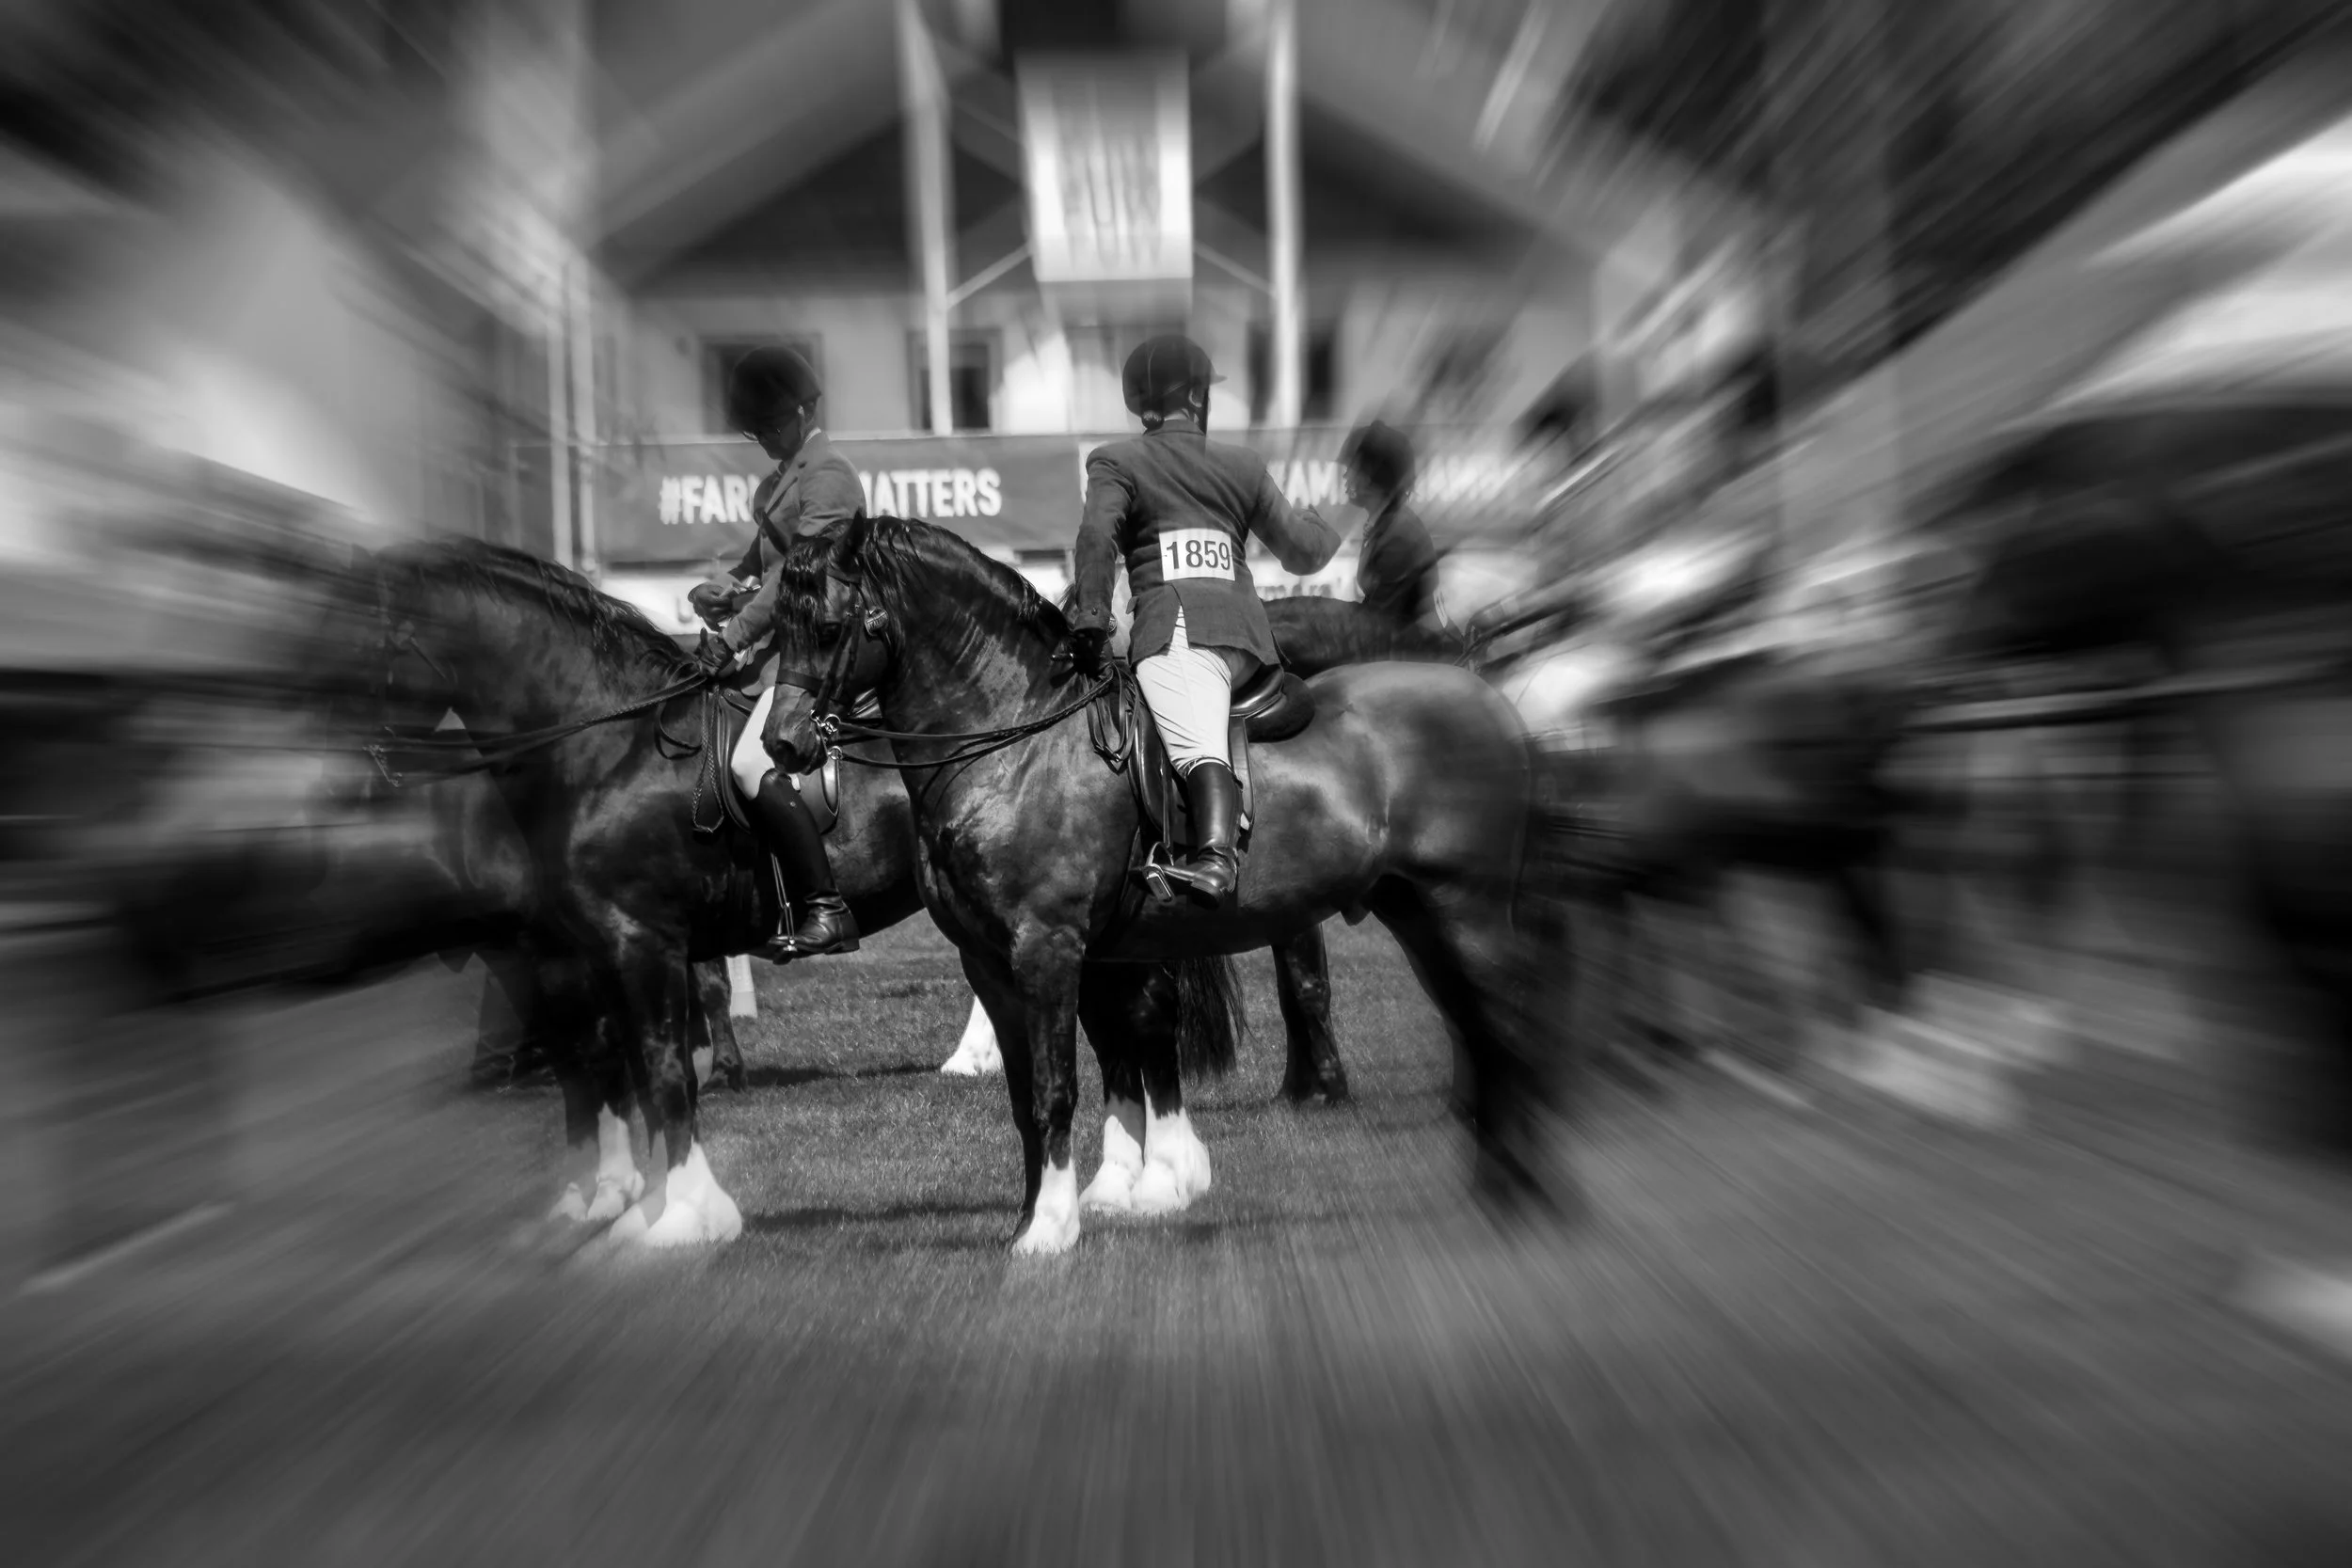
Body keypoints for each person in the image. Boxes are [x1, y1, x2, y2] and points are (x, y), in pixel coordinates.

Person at [1067, 334, 1340, 908]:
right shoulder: (1243, 465)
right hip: (1250, 644)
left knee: (1194, 743)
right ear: (1195, 396)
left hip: (1180, 633)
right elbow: (1302, 552)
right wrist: (1325, 523)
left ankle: (1216, 858)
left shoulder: (1116, 460)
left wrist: (1091, 618)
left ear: (1142, 403)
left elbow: (1097, 537)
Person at [688, 344, 864, 959]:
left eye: (771, 425)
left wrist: (733, 634)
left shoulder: (828, 475)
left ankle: (826, 907)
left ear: (804, 410)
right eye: (754, 429)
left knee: (746, 764)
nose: (763, 437)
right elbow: (758, 568)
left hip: (819, 649)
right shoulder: (779, 482)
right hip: (778, 648)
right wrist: (724, 589)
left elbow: (799, 576)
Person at [1340, 419, 1440, 628]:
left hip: (1411, 646)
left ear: (1371, 475)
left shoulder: (1398, 537)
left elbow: (1379, 624)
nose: (1345, 475)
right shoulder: (1386, 524)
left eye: (1352, 467)